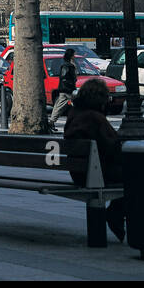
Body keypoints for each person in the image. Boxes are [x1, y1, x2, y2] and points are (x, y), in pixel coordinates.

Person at [64, 78, 126, 241]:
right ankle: (116, 214)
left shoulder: (74, 114)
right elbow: (114, 147)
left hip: (78, 172)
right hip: (97, 173)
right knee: (140, 177)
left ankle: (117, 215)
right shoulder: (95, 118)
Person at [49, 47, 78, 128]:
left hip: (65, 89)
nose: (75, 56)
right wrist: (72, 85)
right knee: (63, 106)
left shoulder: (68, 64)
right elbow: (66, 77)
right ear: (71, 55)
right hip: (67, 89)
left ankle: (52, 121)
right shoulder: (68, 66)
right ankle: (51, 122)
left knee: (59, 106)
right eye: (74, 54)